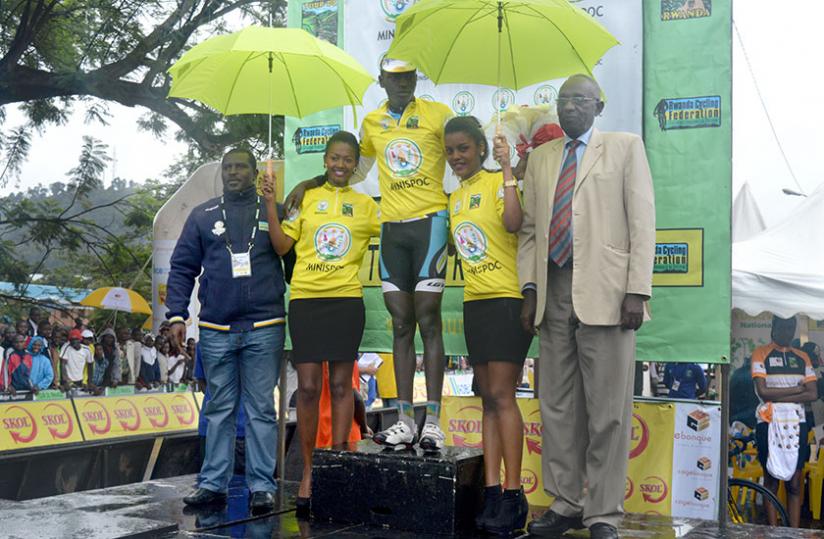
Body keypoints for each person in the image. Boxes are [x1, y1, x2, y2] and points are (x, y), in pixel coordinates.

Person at [286, 58, 453, 450]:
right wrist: (309, 182)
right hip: (393, 227)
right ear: (382, 80)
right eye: (394, 78)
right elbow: (354, 170)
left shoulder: (438, 114)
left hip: (430, 221)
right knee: (401, 324)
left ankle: (433, 421)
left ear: (416, 78)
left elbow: (464, 152)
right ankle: (405, 421)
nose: (402, 83)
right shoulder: (372, 122)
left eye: (408, 77)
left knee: (428, 319)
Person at [519, 74, 656, 539]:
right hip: (554, 289)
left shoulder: (624, 147)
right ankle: (566, 503)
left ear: (599, 106)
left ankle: (603, 513)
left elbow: (642, 222)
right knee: (556, 406)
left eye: (580, 99)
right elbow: (530, 231)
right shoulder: (542, 158)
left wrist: (637, 289)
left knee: (608, 412)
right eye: (563, 99)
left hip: (609, 293)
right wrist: (529, 289)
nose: (570, 106)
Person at [262, 131, 380, 516]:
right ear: (325, 159)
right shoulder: (304, 199)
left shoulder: (366, 205)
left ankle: (337, 468)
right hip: (306, 300)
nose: (340, 165)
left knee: (343, 386)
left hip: (346, 301)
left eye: (348, 159)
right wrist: (271, 204)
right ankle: (311, 472)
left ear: (356, 164)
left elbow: (397, 230)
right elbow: (281, 246)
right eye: (334, 158)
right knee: (309, 388)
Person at [166, 147, 288, 513]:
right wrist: (176, 315)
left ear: (254, 173)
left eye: (241, 167)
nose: (233, 172)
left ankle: (262, 485)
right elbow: (182, 267)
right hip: (216, 326)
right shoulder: (202, 215)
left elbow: (295, 262)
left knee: (261, 408)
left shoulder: (274, 211)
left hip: (265, 324)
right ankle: (213, 483)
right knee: (218, 407)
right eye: (228, 167)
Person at [444, 116, 533, 534]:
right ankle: (493, 491)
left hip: (506, 300)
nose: (456, 156)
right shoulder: (455, 197)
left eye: (463, 148)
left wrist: (509, 168)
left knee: (502, 395)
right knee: (486, 399)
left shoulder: (500, 182)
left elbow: (514, 223)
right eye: (450, 151)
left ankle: (515, 495)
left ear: (481, 147)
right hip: (474, 303)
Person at [751, 315, 818, 528]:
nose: (787, 331)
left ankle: (793, 532)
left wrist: (777, 396)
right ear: (774, 327)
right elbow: (763, 392)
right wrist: (798, 389)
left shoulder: (802, 357)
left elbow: (813, 393)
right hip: (768, 422)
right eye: (783, 326)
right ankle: (773, 531)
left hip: (797, 423)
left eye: (791, 327)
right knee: (771, 480)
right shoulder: (760, 353)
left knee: (795, 483)